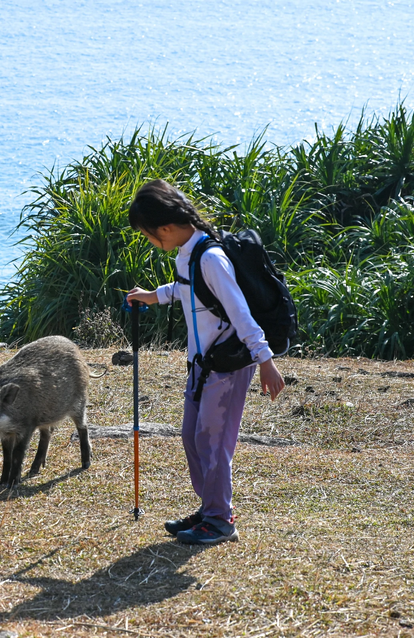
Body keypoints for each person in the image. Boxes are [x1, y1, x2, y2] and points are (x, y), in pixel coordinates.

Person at [125, 179, 285, 546]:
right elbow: (185, 289)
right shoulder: (188, 252)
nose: (152, 242)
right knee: (193, 436)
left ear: (164, 228)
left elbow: (239, 312)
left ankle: (219, 520)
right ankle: (212, 508)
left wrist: (265, 359)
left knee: (213, 441)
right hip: (202, 363)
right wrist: (154, 296)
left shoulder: (211, 258)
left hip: (228, 364)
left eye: (149, 236)